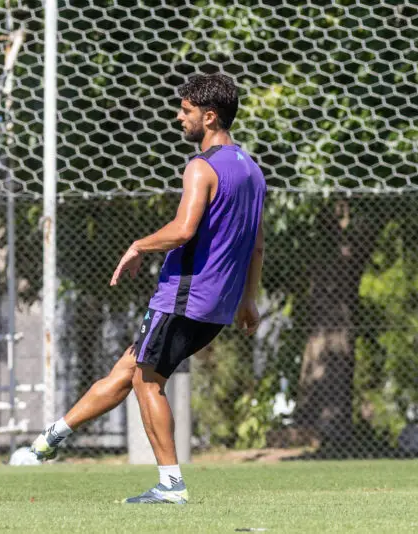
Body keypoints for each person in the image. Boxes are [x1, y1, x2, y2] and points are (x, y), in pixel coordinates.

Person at [31, 73, 266, 504]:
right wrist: (249, 298)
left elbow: (183, 229)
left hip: (184, 296)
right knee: (127, 371)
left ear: (209, 116)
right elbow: (256, 244)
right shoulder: (251, 168)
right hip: (219, 303)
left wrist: (138, 245)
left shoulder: (202, 167)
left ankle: (171, 485)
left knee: (146, 381)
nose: (179, 117)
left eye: (186, 110)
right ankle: (45, 443)